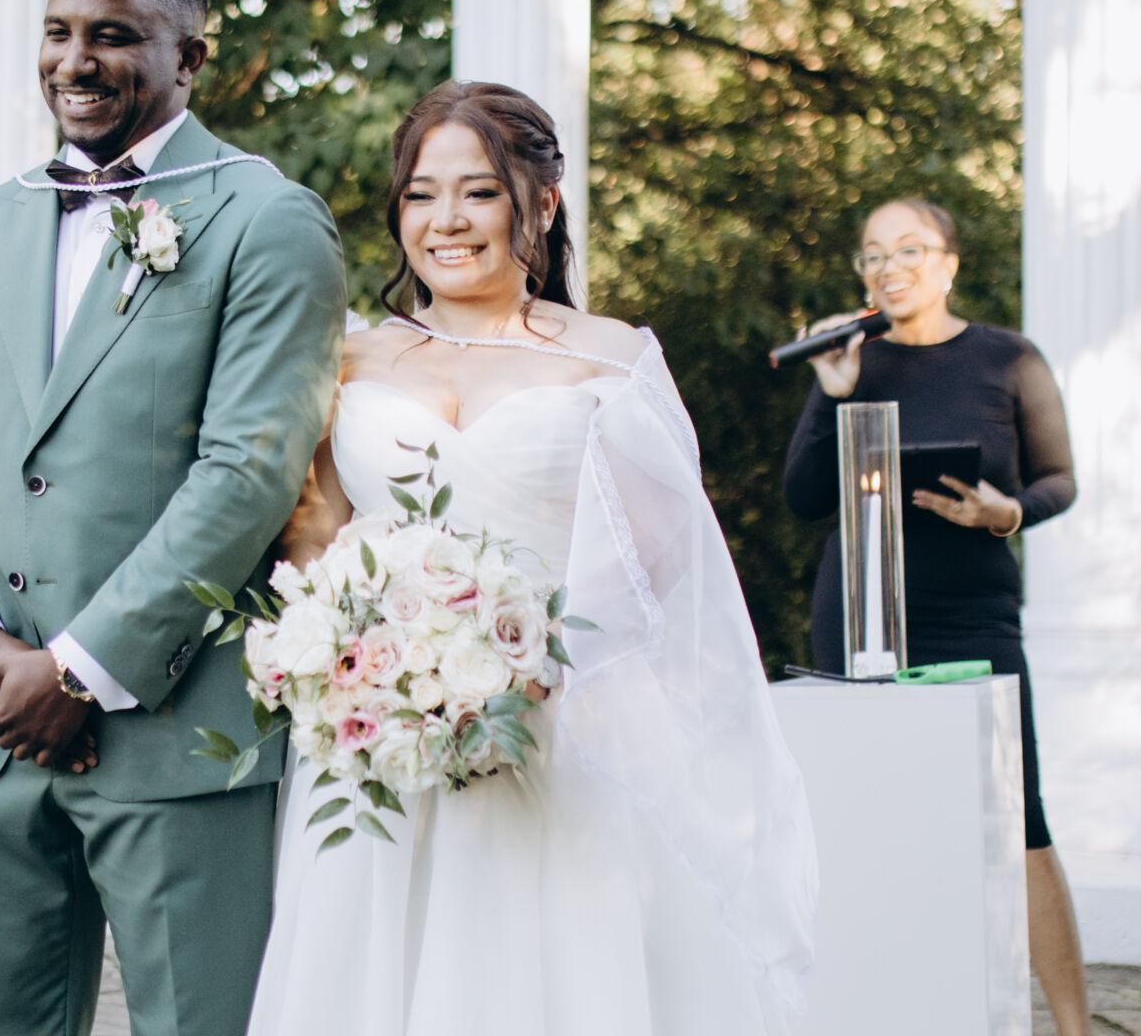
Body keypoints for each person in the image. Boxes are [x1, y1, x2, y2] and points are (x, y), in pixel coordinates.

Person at [249, 80, 817, 1035]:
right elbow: (317, 532)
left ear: (542, 204)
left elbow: (662, 556)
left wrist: (523, 662)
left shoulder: (611, 356)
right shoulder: (349, 358)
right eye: (421, 194)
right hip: (382, 739)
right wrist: (355, 660)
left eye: (478, 191)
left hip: (563, 726)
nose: (446, 220)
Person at [0, 0, 346, 1036]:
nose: (75, 60)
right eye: (58, 32)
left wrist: (78, 671)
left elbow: (249, 470)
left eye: (114, 35)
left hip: (178, 733)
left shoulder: (267, 219)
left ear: (190, 58)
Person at [782, 197, 1089, 1036]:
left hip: (975, 613)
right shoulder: (851, 362)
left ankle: (1074, 1027)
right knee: (867, 814)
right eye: (873, 254)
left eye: (909, 250)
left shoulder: (1007, 358)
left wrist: (1007, 512)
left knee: (1020, 819)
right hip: (861, 616)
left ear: (948, 263)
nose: (889, 267)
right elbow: (803, 498)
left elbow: (1059, 479)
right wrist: (832, 393)